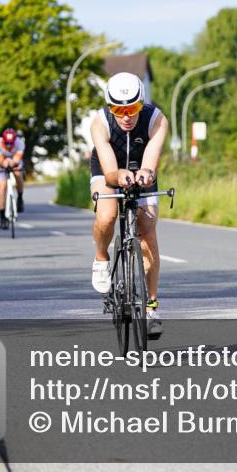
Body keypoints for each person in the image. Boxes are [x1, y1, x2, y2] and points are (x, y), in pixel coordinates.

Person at [89, 72, 169, 338]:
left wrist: (146, 173)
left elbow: (151, 160)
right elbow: (110, 170)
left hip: (140, 167)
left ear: (141, 104)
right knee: (107, 216)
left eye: (132, 108)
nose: (126, 116)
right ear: (110, 107)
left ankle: (151, 306)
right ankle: (102, 256)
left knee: (147, 231)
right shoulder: (100, 124)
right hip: (107, 168)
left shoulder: (156, 120)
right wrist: (117, 176)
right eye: (119, 110)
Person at [0, 128, 25, 229]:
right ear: (3, 140)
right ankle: (2, 216)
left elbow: (17, 158)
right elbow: (0, 160)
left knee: (18, 173)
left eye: (11, 143)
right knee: (2, 186)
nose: (9, 146)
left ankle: (20, 197)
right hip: (1, 163)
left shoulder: (20, 143)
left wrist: (13, 163)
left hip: (14, 161)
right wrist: (4, 163)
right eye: (7, 143)